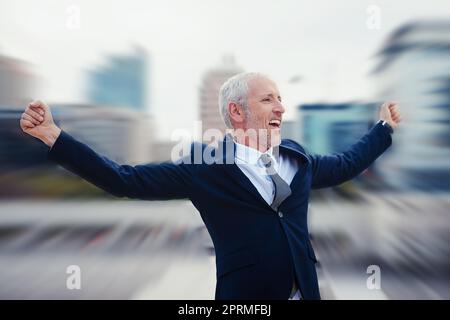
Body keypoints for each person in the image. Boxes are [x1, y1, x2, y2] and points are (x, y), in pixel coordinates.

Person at [19, 72, 401, 300]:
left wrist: (383, 129)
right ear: (237, 112)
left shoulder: (297, 158)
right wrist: (54, 136)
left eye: (281, 99)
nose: (282, 108)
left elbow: (348, 164)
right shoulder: (205, 168)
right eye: (268, 99)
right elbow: (124, 179)